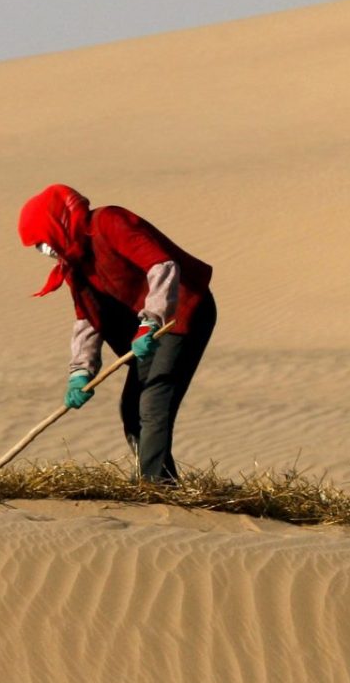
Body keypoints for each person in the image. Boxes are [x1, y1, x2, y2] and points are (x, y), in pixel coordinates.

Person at [17, 184, 217, 483]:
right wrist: (80, 372)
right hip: (146, 331)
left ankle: (155, 488)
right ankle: (161, 481)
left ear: (57, 223)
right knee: (132, 408)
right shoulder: (74, 262)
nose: (43, 250)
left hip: (180, 314)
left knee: (153, 402)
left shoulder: (109, 222)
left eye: (42, 241)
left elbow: (162, 265)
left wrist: (151, 321)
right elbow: (87, 316)